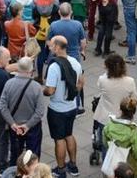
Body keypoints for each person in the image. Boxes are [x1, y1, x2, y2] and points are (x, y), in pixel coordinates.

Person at [43, 36, 82, 177]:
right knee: (69, 135)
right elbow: (81, 82)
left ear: (58, 47)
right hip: (71, 107)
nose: (49, 47)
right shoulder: (75, 63)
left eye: (52, 45)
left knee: (59, 139)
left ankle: (60, 169)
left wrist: (44, 90)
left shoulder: (54, 67)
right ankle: (73, 165)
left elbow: (50, 90)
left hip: (57, 110)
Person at [0, 57, 47, 163]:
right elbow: (39, 111)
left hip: (15, 127)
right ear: (30, 71)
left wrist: (12, 124)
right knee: (33, 156)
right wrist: (27, 125)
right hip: (33, 127)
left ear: (17, 69)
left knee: (15, 155)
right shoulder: (36, 87)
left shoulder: (9, 84)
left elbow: (2, 106)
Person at [94, 53, 137, 161]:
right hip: (123, 118)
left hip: (105, 118)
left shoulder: (102, 80)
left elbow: (99, 90)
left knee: (105, 145)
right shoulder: (130, 81)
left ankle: (107, 167)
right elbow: (135, 99)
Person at [102, 96, 137, 177]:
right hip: (129, 168)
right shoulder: (135, 132)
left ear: (120, 110)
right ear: (134, 112)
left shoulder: (109, 125)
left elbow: (105, 143)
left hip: (112, 164)